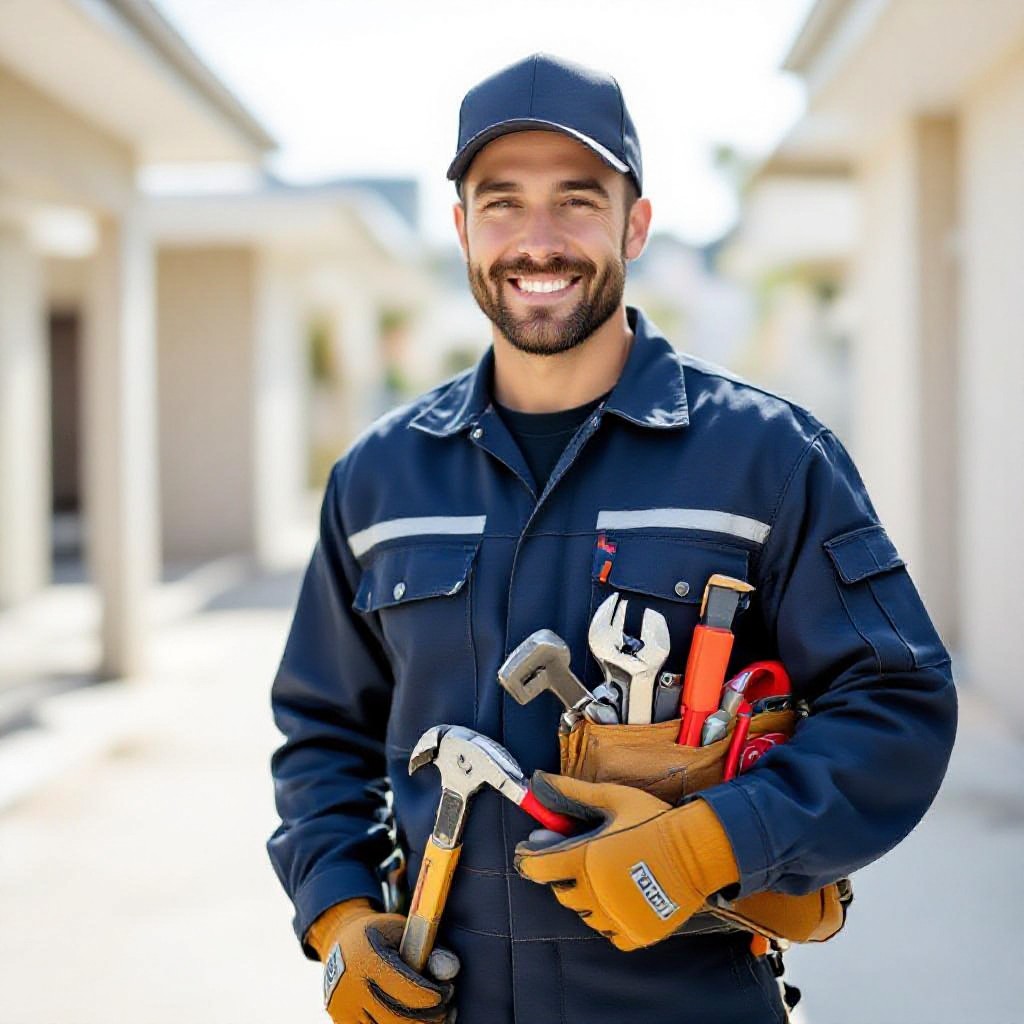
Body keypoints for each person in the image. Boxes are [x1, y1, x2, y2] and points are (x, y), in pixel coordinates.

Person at [268, 53, 957, 1024]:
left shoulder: (767, 458)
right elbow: (323, 733)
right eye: (501, 203)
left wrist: (714, 840)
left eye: (577, 201)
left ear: (635, 222)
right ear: (463, 230)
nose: (537, 240)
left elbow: (897, 704)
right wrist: (337, 913)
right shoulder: (378, 481)